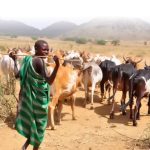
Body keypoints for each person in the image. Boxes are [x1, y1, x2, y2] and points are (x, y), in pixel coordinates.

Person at [9, 40, 59, 150]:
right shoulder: (40, 62)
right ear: (36, 49)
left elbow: (17, 75)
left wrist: (13, 60)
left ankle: (26, 145)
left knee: (33, 121)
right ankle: (35, 147)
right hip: (38, 100)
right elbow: (50, 81)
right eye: (44, 49)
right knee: (40, 126)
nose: (46, 52)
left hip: (28, 97)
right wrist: (57, 65)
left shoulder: (28, 60)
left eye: (47, 49)